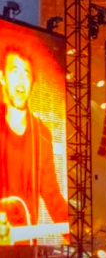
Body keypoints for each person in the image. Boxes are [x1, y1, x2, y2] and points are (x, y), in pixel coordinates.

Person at [0, 45, 68, 241]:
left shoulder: (42, 134)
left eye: (26, 74)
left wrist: (74, 234)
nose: (21, 79)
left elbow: (52, 195)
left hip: (27, 245)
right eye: (15, 71)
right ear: (2, 78)